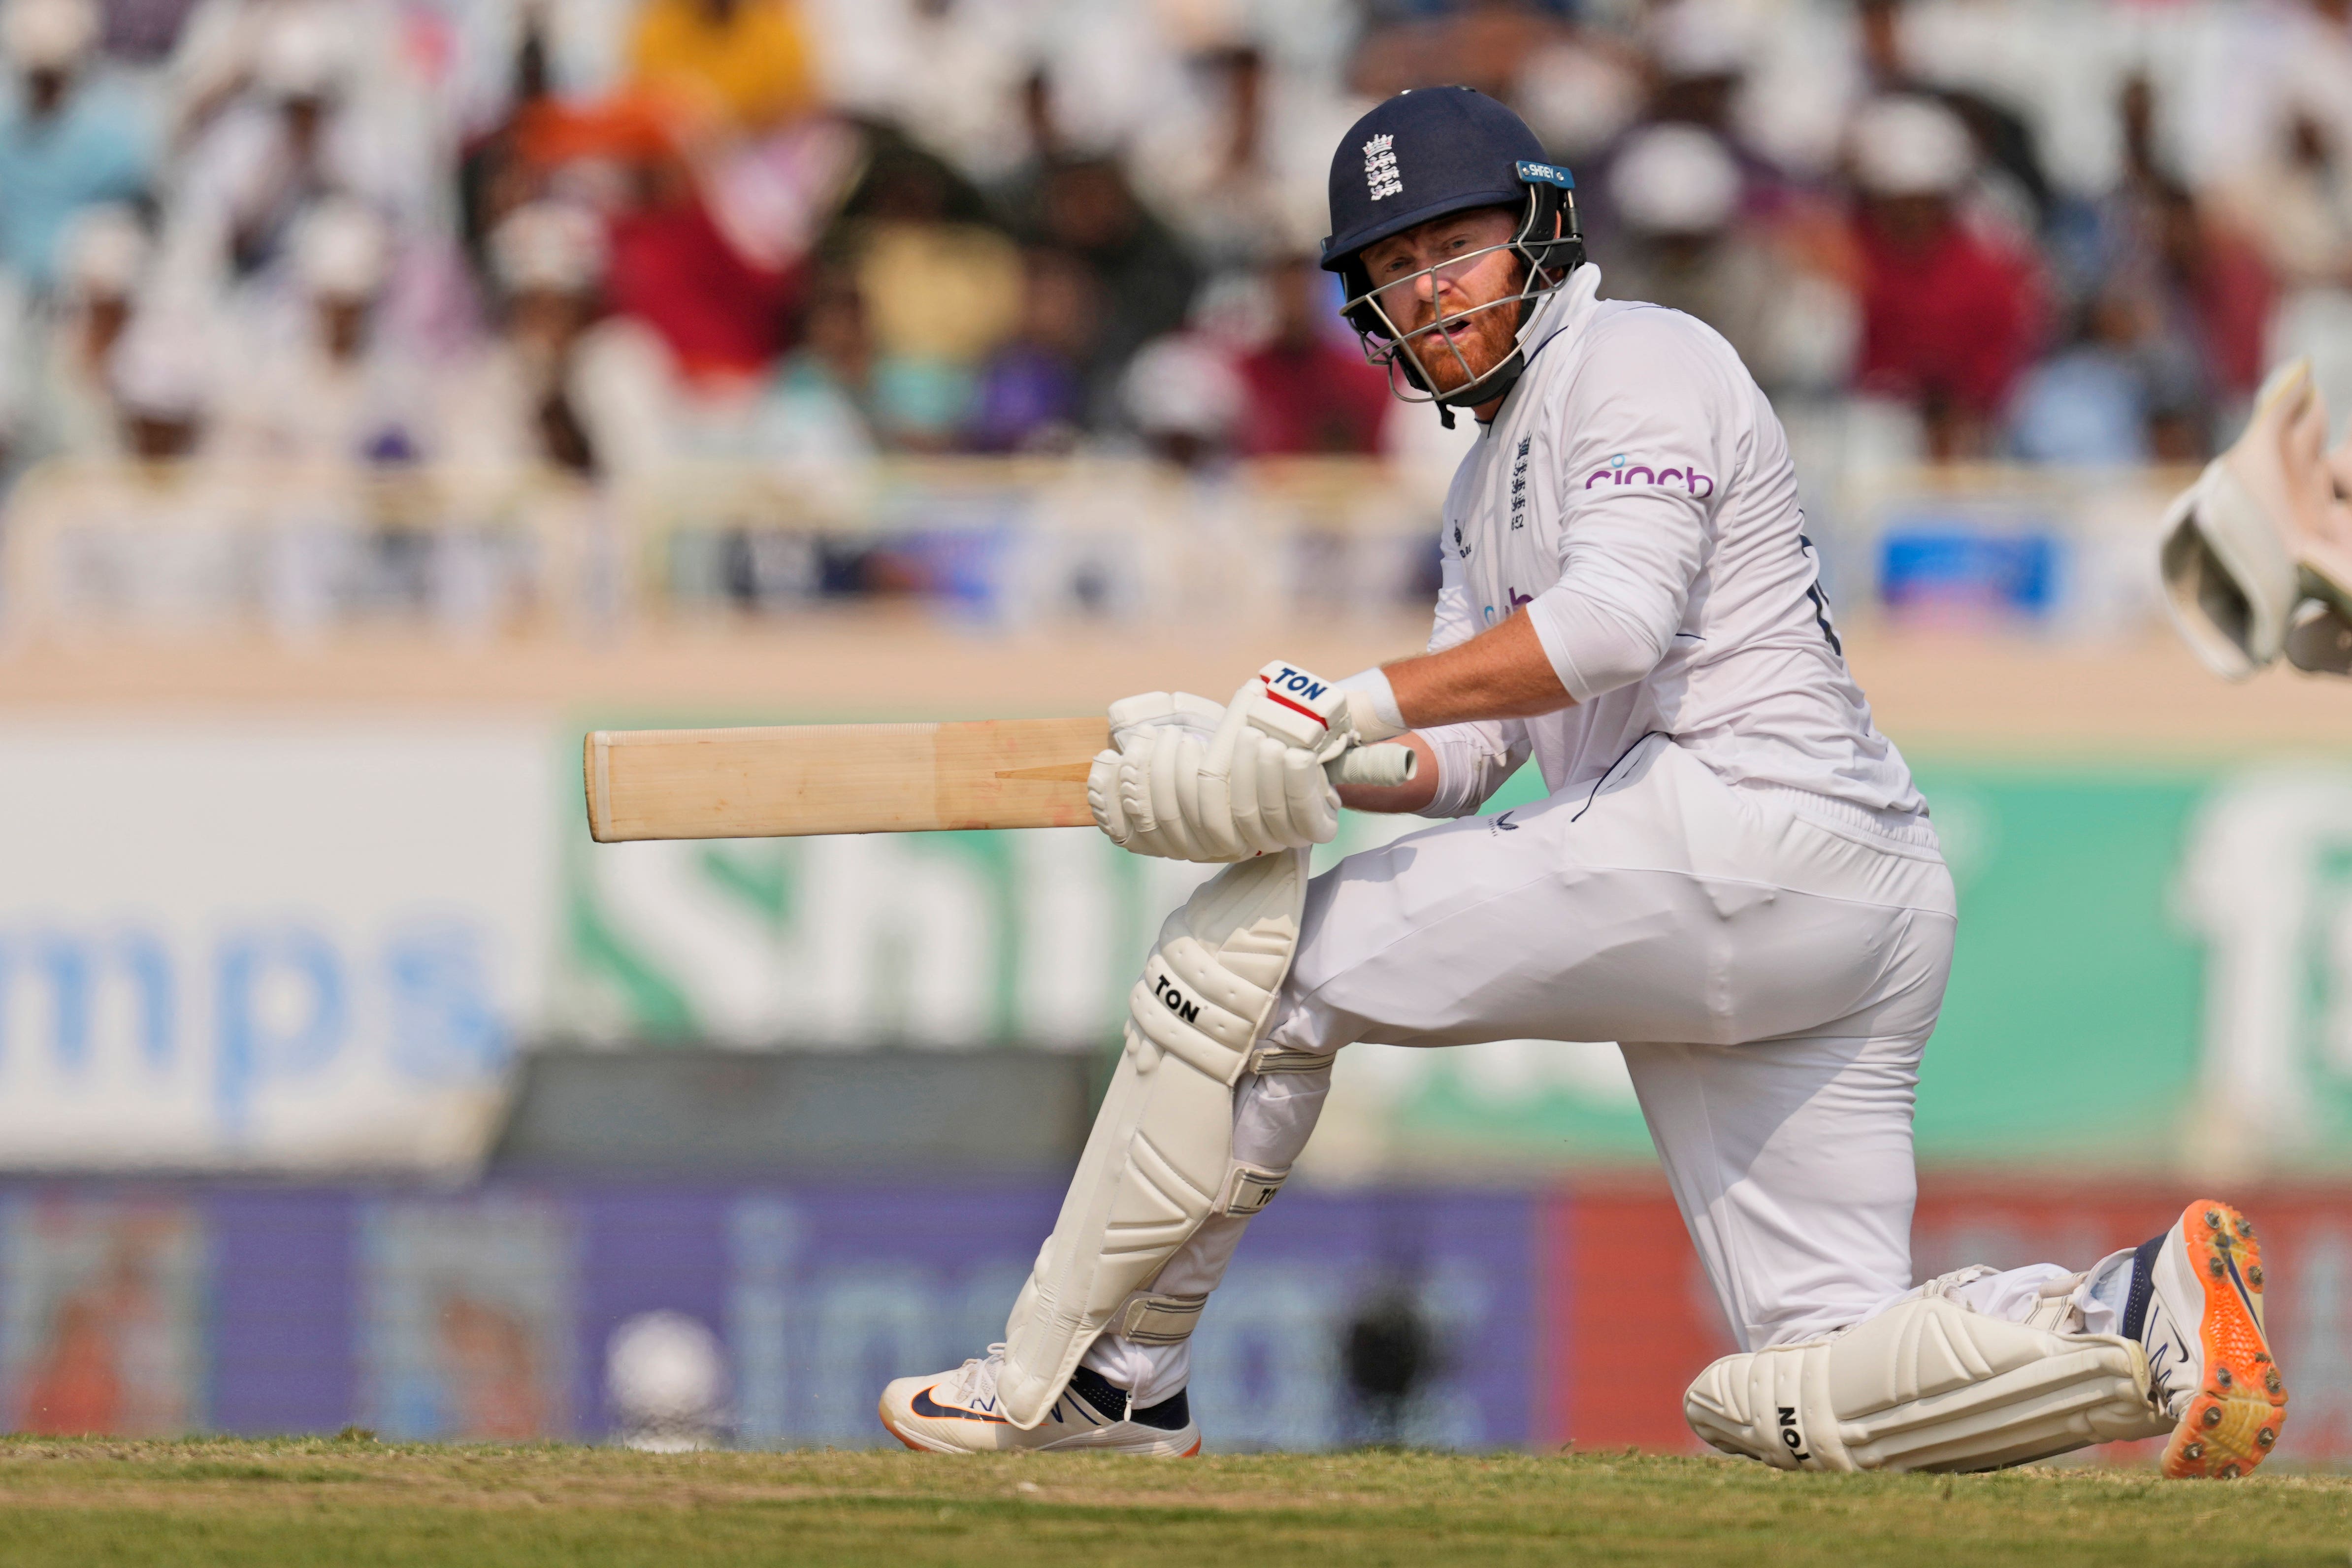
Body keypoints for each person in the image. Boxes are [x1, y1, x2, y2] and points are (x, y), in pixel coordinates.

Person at [877, 86, 2288, 1478]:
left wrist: (1328, 709)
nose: (1425, 293)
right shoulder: (1479, 483)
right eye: (1390, 270)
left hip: (1748, 827)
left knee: (1257, 971)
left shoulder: (1639, 358)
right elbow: (1463, 760)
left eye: (1451, 249)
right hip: (1832, 899)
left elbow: (1615, 625)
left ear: (1542, 230)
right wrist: (1260, 760)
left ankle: (1104, 1376)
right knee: (1798, 1381)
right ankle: (2134, 1321)